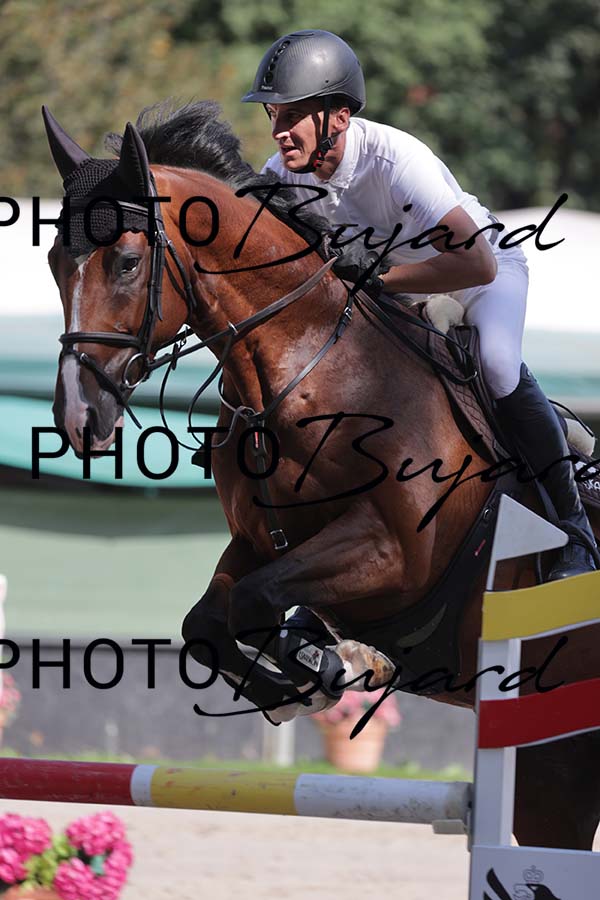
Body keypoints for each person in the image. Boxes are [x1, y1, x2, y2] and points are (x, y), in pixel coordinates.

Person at [242, 29, 597, 580]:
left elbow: (475, 263)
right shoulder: (278, 178)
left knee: (497, 363)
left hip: (481, 273)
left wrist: (379, 277)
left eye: (292, 116)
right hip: (398, 293)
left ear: (339, 117)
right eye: (273, 115)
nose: (278, 131)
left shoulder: (395, 160)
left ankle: (576, 530)